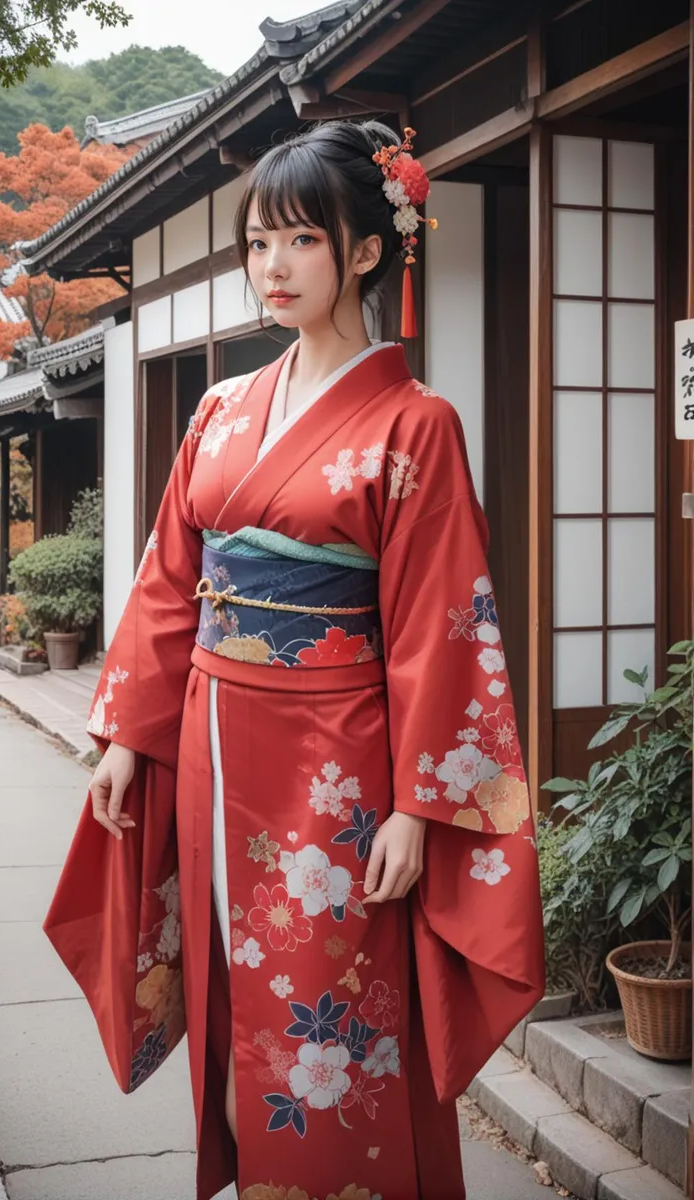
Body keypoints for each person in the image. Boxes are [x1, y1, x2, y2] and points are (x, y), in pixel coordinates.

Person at [44, 119, 546, 1200]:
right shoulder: (224, 408)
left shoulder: (418, 425)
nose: (272, 268)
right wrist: (130, 732)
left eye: (300, 242)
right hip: (212, 741)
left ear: (363, 251)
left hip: (338, 769)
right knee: (231, 1002)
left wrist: (420, 803)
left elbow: (441, 627)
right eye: (257, 244)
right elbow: (169, 578)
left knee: (325, 1017)